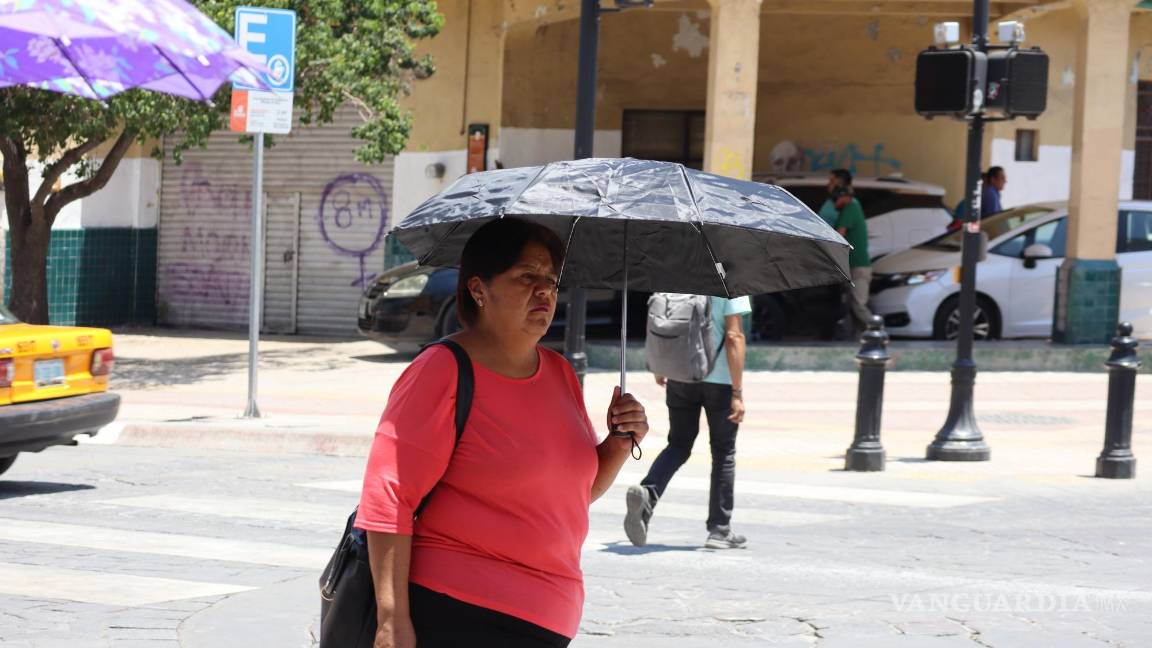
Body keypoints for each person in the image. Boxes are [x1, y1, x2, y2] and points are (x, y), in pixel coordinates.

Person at [355, 217, 649, 648]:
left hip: (549, 617)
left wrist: (620, 443)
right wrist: (391, 620)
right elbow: (388, 498)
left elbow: (568, 495)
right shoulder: (442, 370)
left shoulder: (560, 374)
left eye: (551, 279)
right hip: (459, 612)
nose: (545, 291)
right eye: (527, 276)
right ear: (478, 289)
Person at [624, 294, 751, 549]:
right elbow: (734, 336)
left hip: (681, 375)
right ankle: (719, 530)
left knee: (678, 445)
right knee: (723, 452)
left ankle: (648, 494)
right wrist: (737, 393)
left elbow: (663, 323)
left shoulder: (680, 276)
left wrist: (662, 366)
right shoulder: (731, 280)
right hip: (720, 383)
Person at [823, 169, 872, 333]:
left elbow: (839, 236)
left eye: (836, 198)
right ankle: (864, 341)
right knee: (852, 309)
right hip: (851, 267)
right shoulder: (847, 208)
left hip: (858, 267)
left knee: (859, 306)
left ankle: (879, 332)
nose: (834, 203)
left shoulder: (850, 208)